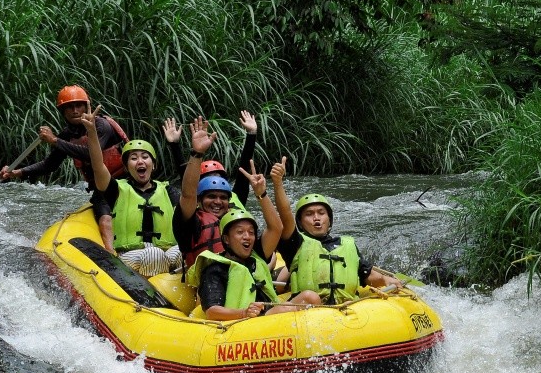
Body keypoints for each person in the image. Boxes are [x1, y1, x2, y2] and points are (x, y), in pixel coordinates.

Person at [0, 85, 134, 252]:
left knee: (102, 202)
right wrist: (17, 172)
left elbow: (92, 155)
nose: (75, 110)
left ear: (87, 106)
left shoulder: (101, 126)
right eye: (69, 107)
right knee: (101, 202)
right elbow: (50, 164)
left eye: (79, 105)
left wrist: (55, 141)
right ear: (63, 112)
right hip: (102, 187)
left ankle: (111, 248)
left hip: (125, 181)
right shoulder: (67, 135)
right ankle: (111, 252)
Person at [187, 164, 320, 321]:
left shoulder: (256, 255)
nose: (247, 237)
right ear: (226, 239)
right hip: (242, 323)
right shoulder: (215, 269)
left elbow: (276, 227)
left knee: (309, 297)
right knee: (284, 309)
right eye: (240, 232)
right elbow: (212, 311)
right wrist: (243, 313)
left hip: (267, 315)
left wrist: (261, 194)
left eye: (251, 232)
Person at [273, 167, 401, 304]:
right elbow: (285, 214)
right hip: (308, 312)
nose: (316, 218)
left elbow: (367, 274)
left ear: (329, 220)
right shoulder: (295, 244)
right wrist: (278, 183)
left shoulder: (347, 244)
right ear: (300, 222)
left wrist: (385, 279)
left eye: (321, 213)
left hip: (347, 309)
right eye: (309, 214)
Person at [83, 106, 182, 277]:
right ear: (127, 168)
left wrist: (174, 145)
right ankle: (150, 298)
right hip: (130, 255)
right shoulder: (117, 189)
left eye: (145, 157)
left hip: (165, 251)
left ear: (154, 164)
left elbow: (190, 192)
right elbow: (98, 167)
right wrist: (92, 133)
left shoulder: (168, 190)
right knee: (154, 254)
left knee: (181, 251)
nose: (140, 161)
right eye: (133, 158)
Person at [172, 113, 258, 270]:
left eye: (222, 196)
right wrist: (196, 153)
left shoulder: (235, 222)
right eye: (211, 195)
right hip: (207, 280)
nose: (218, 201)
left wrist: (251, 135)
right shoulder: (192, 221)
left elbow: (243, 170)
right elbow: (188, 192)